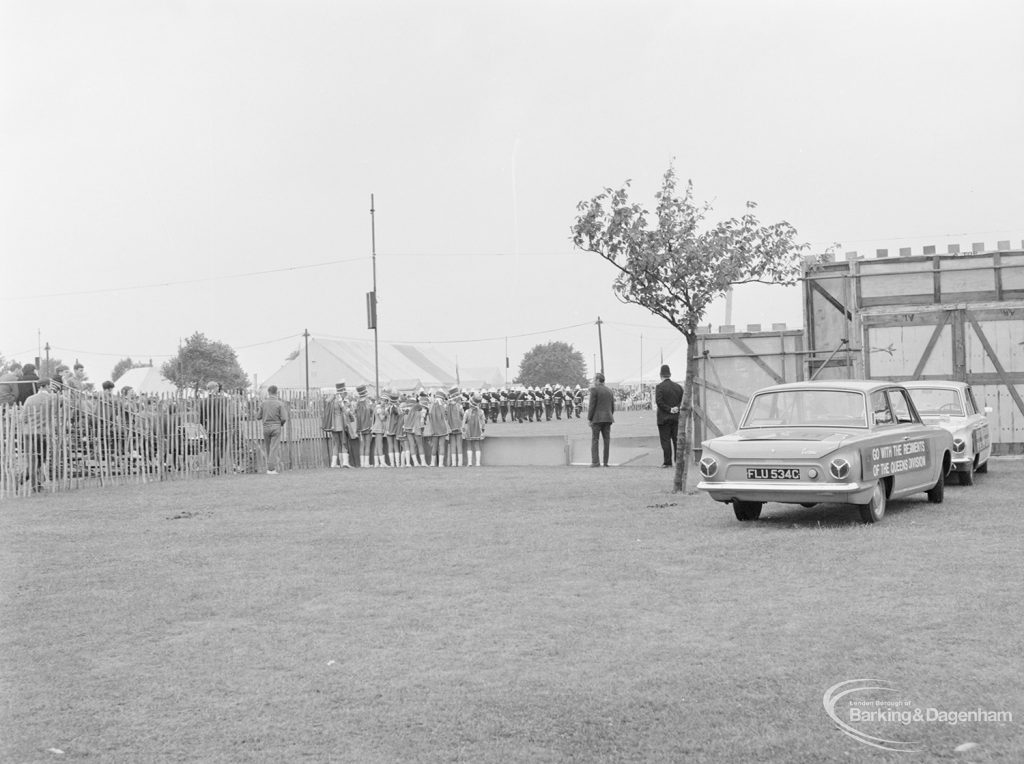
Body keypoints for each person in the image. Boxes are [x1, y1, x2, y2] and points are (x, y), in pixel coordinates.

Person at [21, 377, 61, 492]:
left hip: (28, 433)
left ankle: (30, 481)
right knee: (39, 460)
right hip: (41, 433)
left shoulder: (29, 399)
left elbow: (23, 418)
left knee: (32, 459)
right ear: (46, 386)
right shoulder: (51, 398)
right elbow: (66, 400)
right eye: (50, 386)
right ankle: (28, 481)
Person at [654, 364, 684, 468]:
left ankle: (667, 462)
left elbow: (659, 402)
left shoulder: (659, 387)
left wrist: (669, 409)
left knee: (665, 441)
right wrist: (677, 407)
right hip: (676, 418)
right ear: (669, 374)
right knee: (676, 440)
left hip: (664, 418)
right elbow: (683, 400)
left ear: (660, 375)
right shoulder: (678, 387)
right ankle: (678, 461)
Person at [587, 372, 615, 467]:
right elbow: (612, 407)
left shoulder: (594, 390)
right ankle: (606, 462)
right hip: (608, 418)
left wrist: (589, 419)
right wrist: (609, 415)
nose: (594, 381)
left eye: (594, 379)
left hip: (597, 419)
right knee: (606, 440)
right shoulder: (609, 391)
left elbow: (592, 406)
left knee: (595, 440)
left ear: (598, 380)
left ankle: (595, 462)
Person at [259, 385, 288, 474]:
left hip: (266, 427)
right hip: (276, 426)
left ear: (268, 392)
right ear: (276, 392)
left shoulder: (263, 403)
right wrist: (281, 424)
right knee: (274, 448)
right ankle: (271, 469)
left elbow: (258, 416)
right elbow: (284, 418)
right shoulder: (280, 403)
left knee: (268, 448)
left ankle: (270, 468)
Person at [324, 381, 353, 468]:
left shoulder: (332, 399)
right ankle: (345, 462)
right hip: (340, 424)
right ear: (342, 391)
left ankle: (334, 463)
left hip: (333, 425)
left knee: (336, 444)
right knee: (343, 443)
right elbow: (345, 411)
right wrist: (348, 410)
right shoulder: (339, 400)